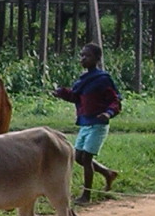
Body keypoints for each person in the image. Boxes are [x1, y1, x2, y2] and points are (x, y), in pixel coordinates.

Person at [52, 42, 121, 201]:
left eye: (87, 56)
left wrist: (108, 113)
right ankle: (107, 173)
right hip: (85, 123)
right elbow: (75, 97)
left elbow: (115, 100)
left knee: (87, 159)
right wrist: (61, 93)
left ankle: (86, 194)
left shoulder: (103, 79)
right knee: (78, 157)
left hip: (98, 124)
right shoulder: (82, 80)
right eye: (82, 55)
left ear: (97, 59)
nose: (83, 58)